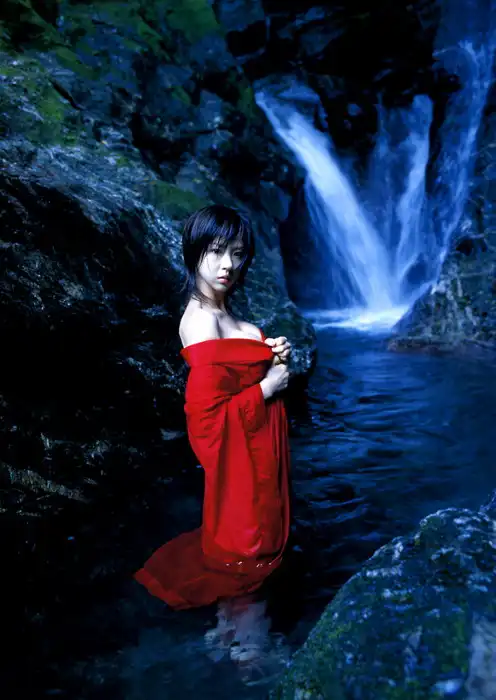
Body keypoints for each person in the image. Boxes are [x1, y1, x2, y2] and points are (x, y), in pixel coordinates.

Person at [134, 205, 292, 666]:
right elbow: (205, 425)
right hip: (243, 476)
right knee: (248, 562)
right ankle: (251, 661)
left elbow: (236, 377)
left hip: (259, 464)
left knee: (250, 565)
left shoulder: (222, 313)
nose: (228, 264)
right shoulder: (201, 320)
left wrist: (273, 356)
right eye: (217, 251)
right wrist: (266, 387)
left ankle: (226, 635)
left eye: (238, 254)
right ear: (194, 251)